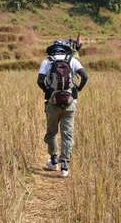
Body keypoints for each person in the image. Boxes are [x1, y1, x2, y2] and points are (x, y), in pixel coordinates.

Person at [37, 40, 88, 177]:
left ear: (53, 50)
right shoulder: (73, 60)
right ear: (65, 50)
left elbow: (40, 80)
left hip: (52, 103)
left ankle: (54, 161)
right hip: (69, 103)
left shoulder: (47, 61)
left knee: (52, 131)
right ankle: (64, 166)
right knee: (67, 134)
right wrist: (77, 90)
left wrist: (47, 92)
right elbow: (85, 76)